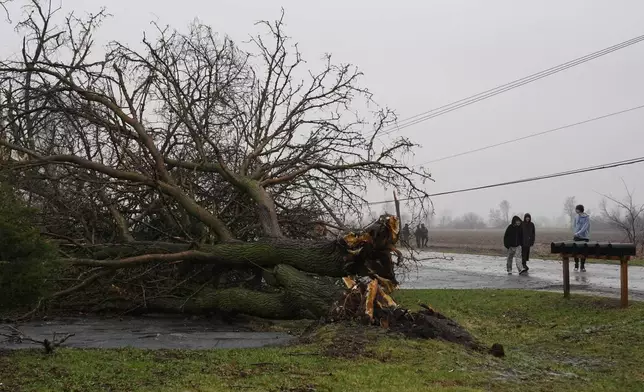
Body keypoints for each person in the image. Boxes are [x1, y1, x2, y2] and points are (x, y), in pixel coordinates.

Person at [573, 204, 591, 272]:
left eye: (576, 209)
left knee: (584, 252)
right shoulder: (576, 216)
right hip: (576, 237)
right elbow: (574, 225)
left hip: (584, 237)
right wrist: (575, 233)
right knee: (575, 251)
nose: (575, 210)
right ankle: (576, 265)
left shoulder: (586, 217)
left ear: (579, 209)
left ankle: (582, 266)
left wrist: (578, 233)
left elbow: (585, 227)